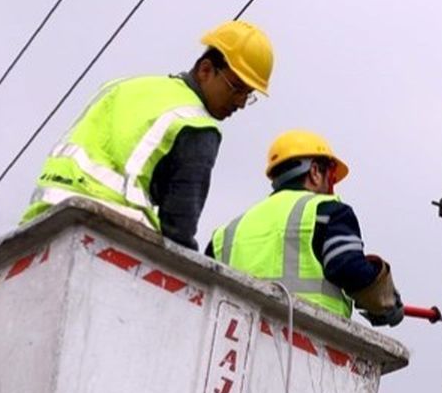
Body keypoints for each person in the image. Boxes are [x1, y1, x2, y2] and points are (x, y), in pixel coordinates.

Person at [20, 20, 273, 250]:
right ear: (206, 70)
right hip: (110, 232)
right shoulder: (197, 125)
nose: (240, 102)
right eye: (237, 88)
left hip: (41, 220)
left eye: (248, 95)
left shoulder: (123, 87)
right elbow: (179, 228)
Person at [206, 130, 404, 327]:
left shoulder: (227, 232)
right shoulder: (327, 211)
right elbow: (349, 268)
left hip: (235, 342)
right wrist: (386, 303)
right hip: (307, 342)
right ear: (315, 172)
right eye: (332, 178)